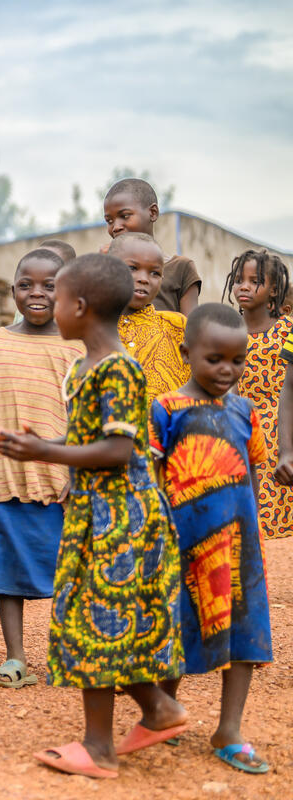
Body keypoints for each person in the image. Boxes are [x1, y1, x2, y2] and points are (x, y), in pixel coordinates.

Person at [0, 254, 186, 780]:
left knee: (97, 623)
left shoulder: (118, 368)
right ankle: (159, 709)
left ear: (78, 307)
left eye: (56, 297)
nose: (50, 306)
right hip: (94, 515)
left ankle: (99, 748)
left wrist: (46, 453)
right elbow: (87, 442)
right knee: (88, 619)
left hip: (121, 520)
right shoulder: (84, 367)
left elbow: (118, 450)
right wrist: (37, 446)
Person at [150, 303, 273, 775]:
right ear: (187, 353)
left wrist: (254, 531)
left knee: (245, 634)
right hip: (181, 544)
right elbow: (153, 473)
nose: (227, 370)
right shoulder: (167, 409)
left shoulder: (245, 411)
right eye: (214, 359)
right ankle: (162, 710)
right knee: (176, 625)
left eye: (237, 361)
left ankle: (230, 729)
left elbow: (251, 471)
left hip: (240, 546)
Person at [0, 249, 83, 689]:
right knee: (6, 571)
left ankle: (67, 653)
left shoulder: (80, 347)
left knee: (68, 570)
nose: (36, 293)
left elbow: (87, 417)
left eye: (49, 285)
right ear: (11, 290)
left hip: (59, 482)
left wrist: (78, 472)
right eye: (25, 284)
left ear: (68, 292)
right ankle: (16, 659)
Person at [230, 249, 293, 540]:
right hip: (246, 437)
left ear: (274, 291)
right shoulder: (228, 334)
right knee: (253, 529)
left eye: (254, 280)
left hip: (285, 435)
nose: (244, 286)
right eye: (238, 279)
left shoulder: (288, 331)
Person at [110, 232, 189, 404]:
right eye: (133, 268)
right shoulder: (94, 329)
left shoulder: (178, 326)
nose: (144, 279)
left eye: (155, 273)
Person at [103, 177, 200, 315]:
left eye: (125, 216)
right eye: (109, 221)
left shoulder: (181, 267)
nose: (116, 227)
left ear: (153, 213)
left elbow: (191, 329)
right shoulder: (107, 266)